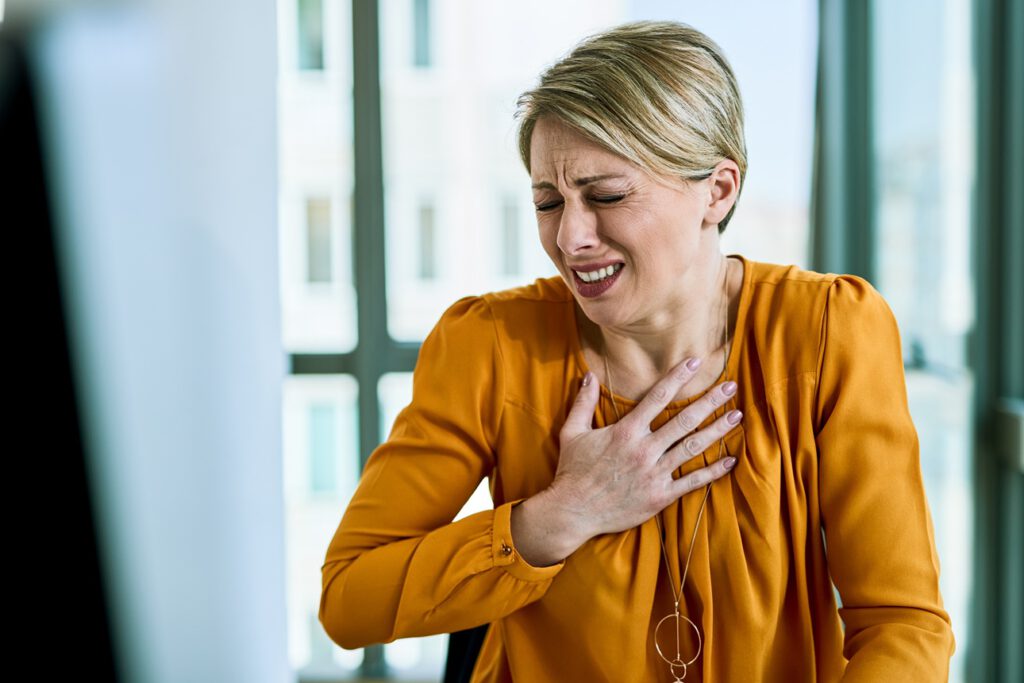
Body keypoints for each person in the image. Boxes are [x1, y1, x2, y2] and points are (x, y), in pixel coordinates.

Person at [319, 20, 955, 681]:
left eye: (607, 196)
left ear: (719, 190)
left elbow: (901, 624)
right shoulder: (491, 346)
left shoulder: (827, 334)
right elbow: (348, 598)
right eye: (547, 201)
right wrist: (564, 513)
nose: (570, 236)